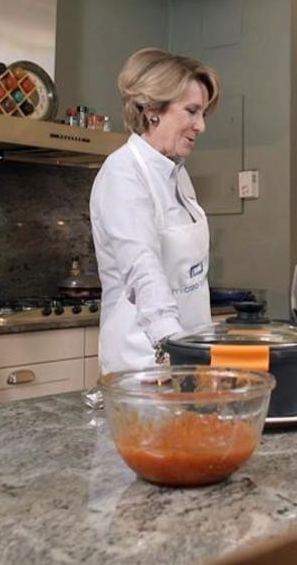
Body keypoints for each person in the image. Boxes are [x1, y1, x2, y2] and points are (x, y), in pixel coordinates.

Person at [90, 48, 221, 374]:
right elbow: (143, 269)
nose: (200, 125)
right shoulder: (123, 174)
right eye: (191, 111)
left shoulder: (176, 173)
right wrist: (174, 347)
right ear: (152, 111)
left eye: (202, 113)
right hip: (144, 364)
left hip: (187, 357)